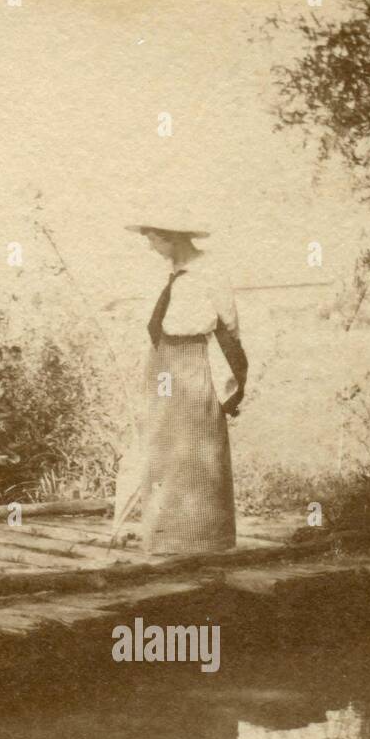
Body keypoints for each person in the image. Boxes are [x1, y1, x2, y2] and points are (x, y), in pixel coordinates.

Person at [124, 218, 248, 555]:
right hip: (164, 363)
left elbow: (230, 326)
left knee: (198, 441)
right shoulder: (168, 271)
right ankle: (167, 535)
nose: (149, 246)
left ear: (169, 237)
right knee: (164, 440)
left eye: (152, 239)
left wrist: (227, 378)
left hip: (194, 362)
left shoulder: (210, 271)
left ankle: (204, 538)